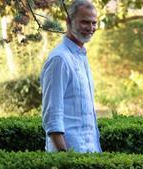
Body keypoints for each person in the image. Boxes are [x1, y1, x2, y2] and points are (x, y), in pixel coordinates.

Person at [40, 0, 101, 153]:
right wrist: (65, 157)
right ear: (68, 21)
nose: (91, 28)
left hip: (89, 154)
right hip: (69, 157)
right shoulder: (60, 59)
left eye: (94, 23)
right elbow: (52, 115)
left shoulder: (81, 56)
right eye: (85, 22)